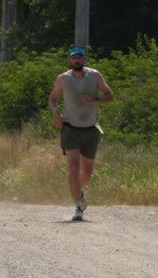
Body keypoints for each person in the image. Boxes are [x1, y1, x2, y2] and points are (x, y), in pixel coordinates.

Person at [48, 47, 114, 221]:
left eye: (79, 57)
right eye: (74, 58)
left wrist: (96, 100)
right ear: (70, 60)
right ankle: (78, 206)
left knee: (87, 171)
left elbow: (110, 96)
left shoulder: (95, 76)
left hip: (91, 127)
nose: (77, 60)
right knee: (73, 167)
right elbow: (53, 99)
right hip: (70, 127)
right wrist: (56, 114)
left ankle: (79, 192)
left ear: (84, 59)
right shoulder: (63, 78)